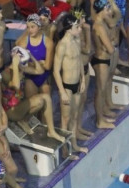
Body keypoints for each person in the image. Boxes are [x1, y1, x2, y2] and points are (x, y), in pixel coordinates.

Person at [2, 46, 68, 143]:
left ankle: (50, 131)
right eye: (23, 62)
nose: (25, 64)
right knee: (42, 98)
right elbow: (16, 86)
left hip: (20, 106)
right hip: (11, 111)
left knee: (45, 98)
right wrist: (15, 65)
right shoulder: (6, 73)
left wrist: (31, 56)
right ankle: (22, 120)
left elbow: (40, 71)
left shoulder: (21, 68)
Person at [53, 14, 89, 154]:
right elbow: (56, 71)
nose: (80, 29)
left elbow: (79, 61)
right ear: (69, 29)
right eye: (77, 27)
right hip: (66, 86)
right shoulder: (62, 46)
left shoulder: (76, 40)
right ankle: (64, 150)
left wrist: (83, 79)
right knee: (65, 119)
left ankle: (74, 145)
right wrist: (62, 92)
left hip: (77, 84)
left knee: (74, 117)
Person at [15, 14, 55, 99]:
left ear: (39, 27)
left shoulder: (48, 42)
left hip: (44, 77)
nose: (30, 30)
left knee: (46, 101)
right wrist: (41, 63)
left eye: (33, 27)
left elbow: (48, 66)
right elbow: (20, 64)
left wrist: (30, 63)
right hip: (30, 77)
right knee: (33, 103)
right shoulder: (23, 42)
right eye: (28, 27)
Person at [91, 0, 117, 129]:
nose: (109, 12)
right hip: (101, 61)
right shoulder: (99, 26)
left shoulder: (101, 23)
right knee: (100, 91)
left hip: (103, 59)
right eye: (107, 9)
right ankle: (99, 120)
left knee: (101, 89)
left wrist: (110, 43)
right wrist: (111, 43)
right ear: (102, 10)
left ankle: (102, 116)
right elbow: (110, 49)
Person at [73, 8, 94, 141]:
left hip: (85, 68)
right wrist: (88, 31)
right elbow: (87, 50)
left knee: (83, 99)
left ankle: (79, 127)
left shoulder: (81, 32)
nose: (85, 21)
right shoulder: (75, 35)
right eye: (82, 18)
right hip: (78, 72)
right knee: (77, 103)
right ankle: (74, 131)